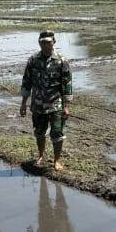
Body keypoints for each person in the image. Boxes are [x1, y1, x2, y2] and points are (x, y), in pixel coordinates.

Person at [19, 30, 73, 171]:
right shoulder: (33, 60)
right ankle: (41, 156)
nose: (45, 45)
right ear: (39, 43)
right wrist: (23, 103)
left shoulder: (61, 61)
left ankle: (57, 160)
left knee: (57, 132)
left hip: (56, 104)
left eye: (48, 42)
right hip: (38, 104)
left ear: (54, 42)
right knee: (39, 131)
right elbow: (26, 82)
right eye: (42, 42)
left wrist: (67, 106)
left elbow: (67, 85)